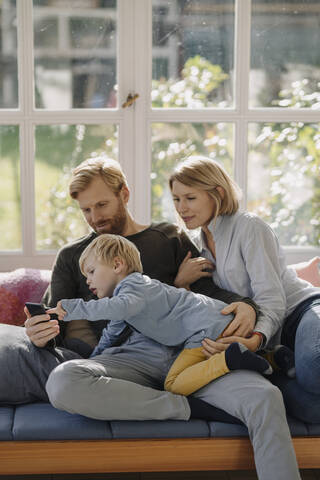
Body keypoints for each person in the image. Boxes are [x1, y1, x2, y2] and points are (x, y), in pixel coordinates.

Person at [0, 156, 301, 480]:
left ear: (124, 195)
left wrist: (246, 306)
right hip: (127, 363)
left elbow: (206, 292)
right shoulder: (74, 257)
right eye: (86, 210)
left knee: (266, 398)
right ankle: (191, 408)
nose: (95, 218)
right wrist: (38, 330)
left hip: (195, 350)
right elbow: (57, 321)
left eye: (101, 205)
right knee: (62, 382)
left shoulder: (169, 237)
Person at [169, 155, 320, 424]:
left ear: (218, 193)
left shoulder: (249, 227)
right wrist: (181, 282)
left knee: (316, 370)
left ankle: (285, 364)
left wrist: (255, 340)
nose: (181, 208)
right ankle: (280, 364)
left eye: (190, 198)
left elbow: (272, 299)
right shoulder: (194, 245)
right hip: (273, 343)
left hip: (300, 311)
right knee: (312, 411)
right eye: (176, 199)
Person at [48, 233, 272, 396]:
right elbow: (111, 332)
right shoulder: (128, 300)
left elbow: (114, 308)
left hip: (203, 330)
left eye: (91, 272)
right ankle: (273, 357)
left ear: (117, 265)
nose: (88, 281)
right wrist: (94, 359)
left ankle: (230, 360)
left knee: (174, 384)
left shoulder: (134, 289)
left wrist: (70, 308)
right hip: (210, 321)